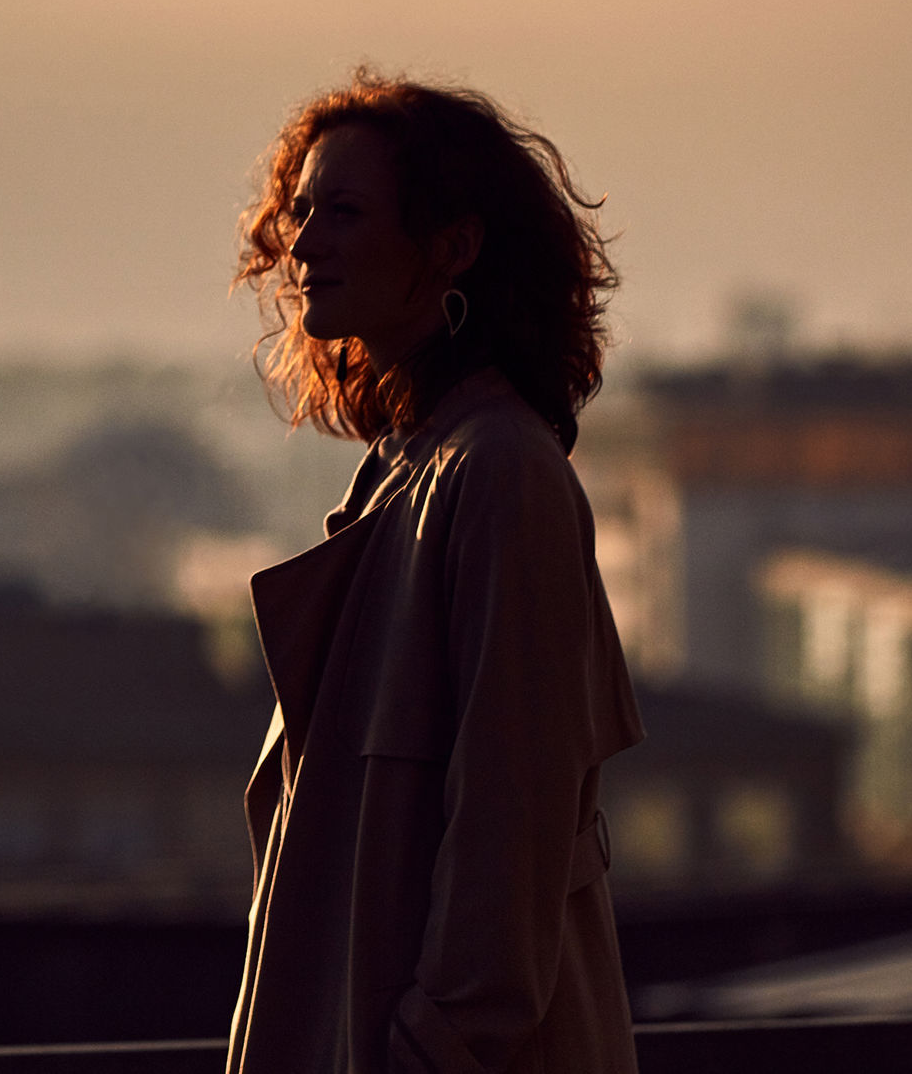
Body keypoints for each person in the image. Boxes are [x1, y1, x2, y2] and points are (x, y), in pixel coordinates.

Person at [223, 75, 640, 1074]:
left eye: (347, 211)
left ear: (453, 246)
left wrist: (429, 1049)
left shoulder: (498, 475)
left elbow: (514, 831)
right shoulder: (414, 471)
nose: (305, 242)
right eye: (302, 209)